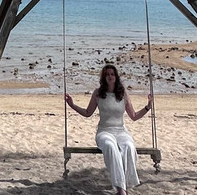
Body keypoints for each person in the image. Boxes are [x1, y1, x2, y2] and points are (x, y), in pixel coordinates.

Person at [64, 64, 153, 195]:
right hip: (104, 131)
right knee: (111, 146)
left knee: (128, 146)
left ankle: (125, 184)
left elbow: (133, 116)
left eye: (112, 74)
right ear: (104, 77)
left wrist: (148, 107)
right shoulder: (98, 93)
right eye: (107, 74)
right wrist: (72, 105)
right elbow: (88, 112)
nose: (110, 76)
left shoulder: (123, 94)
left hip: (121, 131)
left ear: (116, 77)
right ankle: (120, 189)